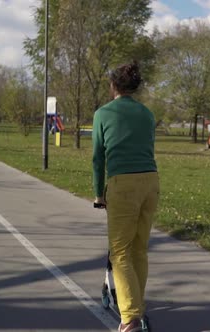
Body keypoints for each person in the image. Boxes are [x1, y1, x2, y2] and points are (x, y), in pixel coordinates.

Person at [92, 61, 159, 332]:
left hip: (124, 184)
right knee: (139, 249)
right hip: (151, 182)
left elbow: (99, 158)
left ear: (113, 86)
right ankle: (138, 309)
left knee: (120, 252)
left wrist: (99, 194)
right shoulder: (147, 114)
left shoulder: (103, 114)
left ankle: (129, 318)